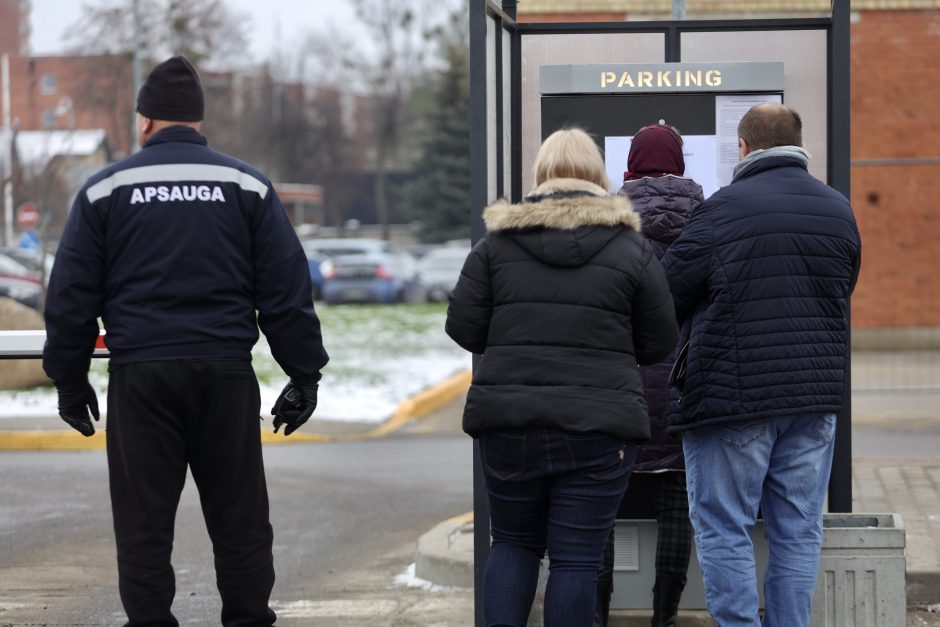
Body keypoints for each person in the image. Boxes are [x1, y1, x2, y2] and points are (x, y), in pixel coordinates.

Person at [42, 55, 328, 627]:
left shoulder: (105, 191)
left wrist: (70, 381)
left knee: (144, 523)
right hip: (224, 374)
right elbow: (285, 288)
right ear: (199, 123)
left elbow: (71, 298)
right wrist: (304, 373)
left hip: (141, 378)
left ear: (143, 122)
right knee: (240, 518)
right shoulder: (246, 185)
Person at [446, 127, 679, 627]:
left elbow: (463, 327)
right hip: (599, 427)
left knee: (512, 542)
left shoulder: (496, 246)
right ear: (598, 175)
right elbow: (660, 342)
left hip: (509, 423)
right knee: (576, 558)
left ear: (541, 174)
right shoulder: (630, 249)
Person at [659, 103, 861, 626]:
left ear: (744, 147)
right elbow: (842, 289)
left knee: (724, 525)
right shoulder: (837, 208)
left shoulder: (724, 209)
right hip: (813, 399)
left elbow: (666, 293)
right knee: (797, 530)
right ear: (798, 143)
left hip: (732, 397)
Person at [594, 124, 703, 627]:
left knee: (599, 503)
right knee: (677, 502)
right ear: (680, 163)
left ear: (631, 164)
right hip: (685, 382)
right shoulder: (705, 219)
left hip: (622, 387)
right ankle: (663, 617)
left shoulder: (608, 226)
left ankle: (597, 611)